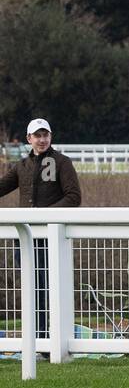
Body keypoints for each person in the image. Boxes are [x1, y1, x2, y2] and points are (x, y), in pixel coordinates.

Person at [0, 119, 82, 340]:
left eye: (45, 135)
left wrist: (44, 216)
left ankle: (48, 339)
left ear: (51, 136)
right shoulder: (22, 165)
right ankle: (36, 339)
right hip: (25, 238)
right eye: (37, 135)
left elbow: (74, 197)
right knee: (31, 288)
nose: (42, 139)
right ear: (29, 139)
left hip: (50, 236)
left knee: (47, 288)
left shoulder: (62, 162)